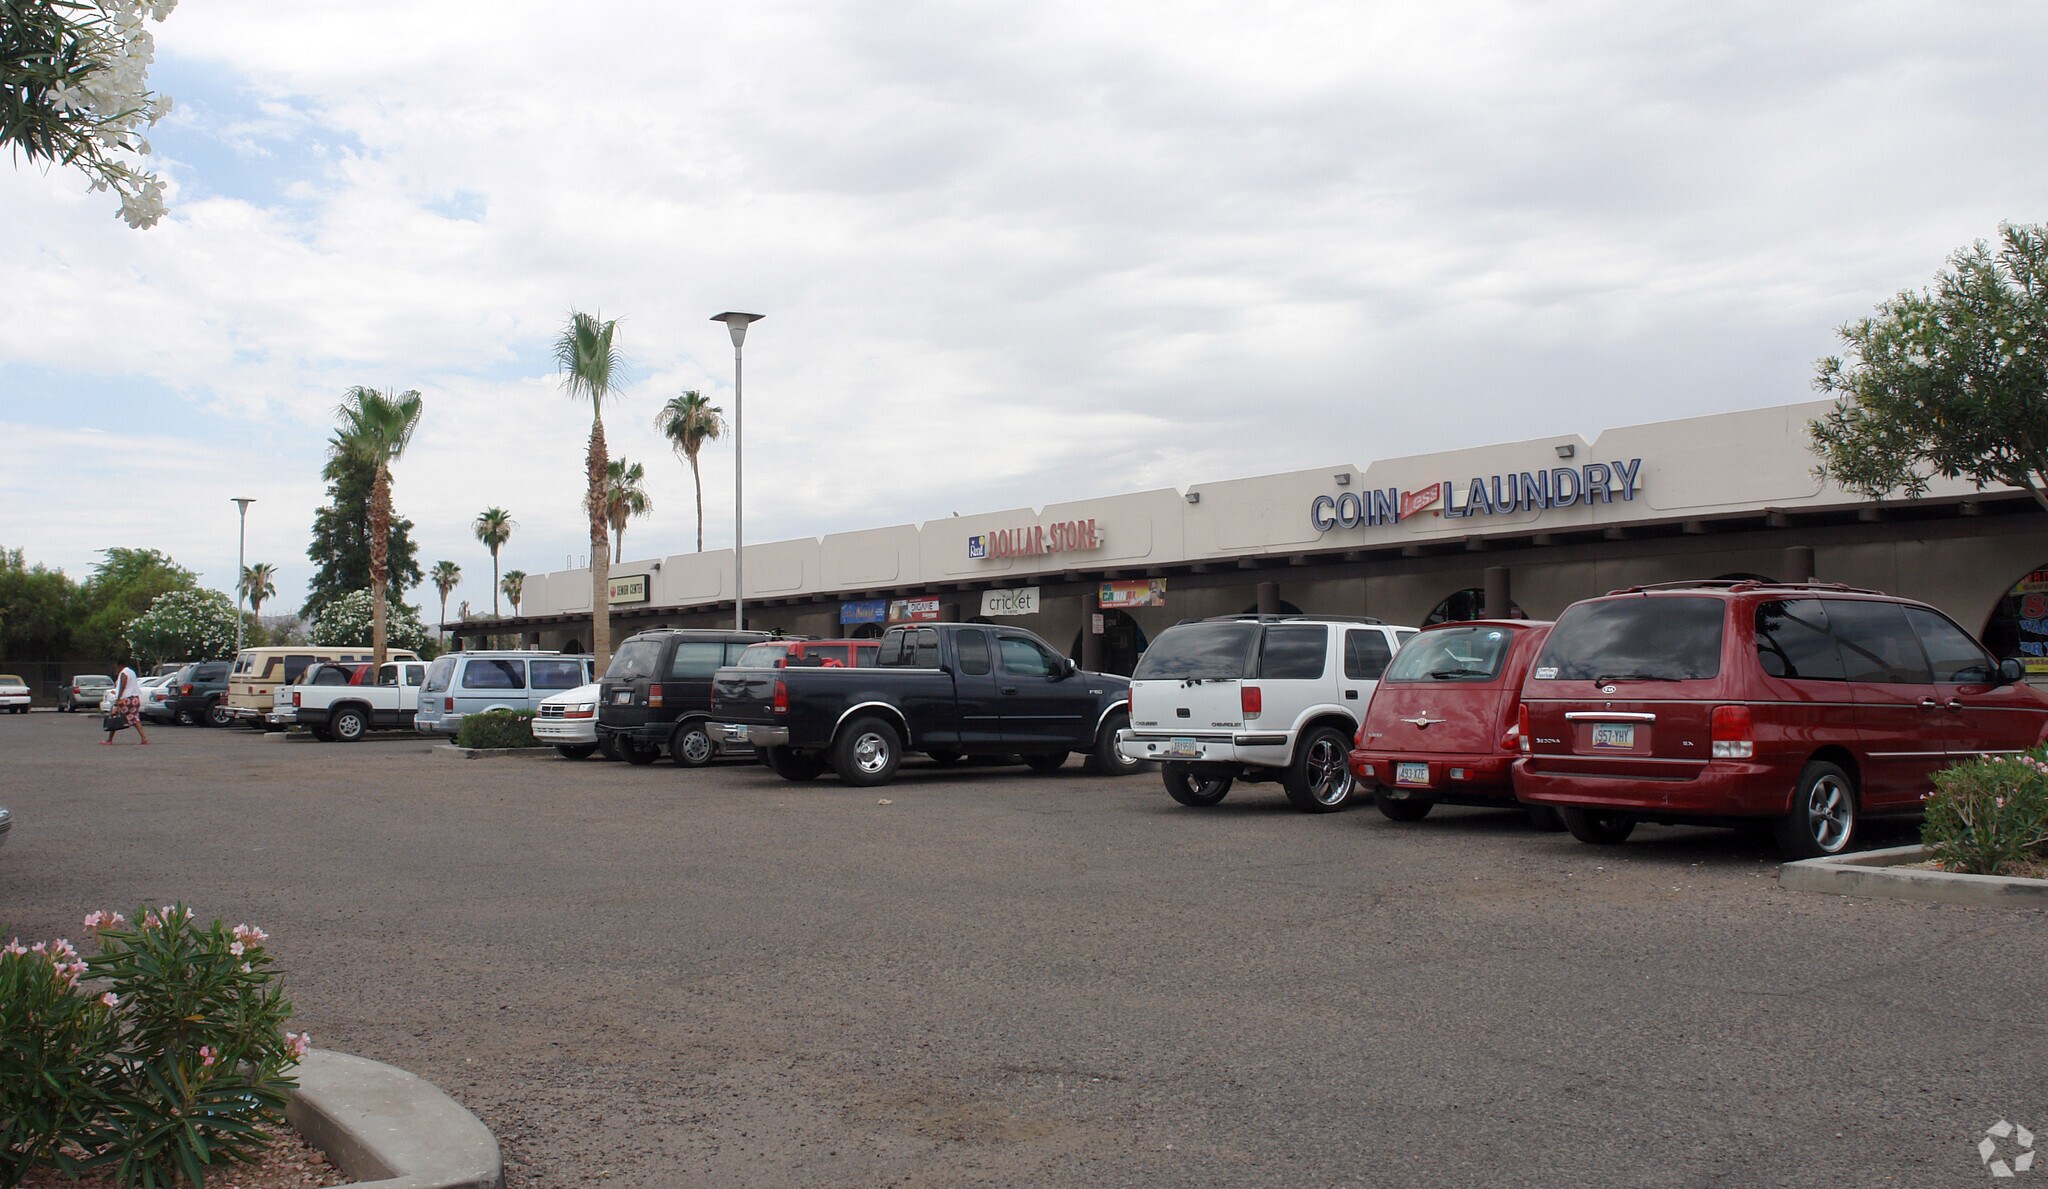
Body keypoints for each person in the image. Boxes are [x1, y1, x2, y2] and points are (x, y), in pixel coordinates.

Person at [103, 660, 149, 746]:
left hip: (126, 698)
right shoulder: (132, 672)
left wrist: (118, 697)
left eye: (116, 667)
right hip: (135, 698)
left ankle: (109, 740)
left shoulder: (124, 673)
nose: (116, 669)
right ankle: (144, 737)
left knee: (115, 716)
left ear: (119, 666)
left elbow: (123, 686)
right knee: (135, 718)